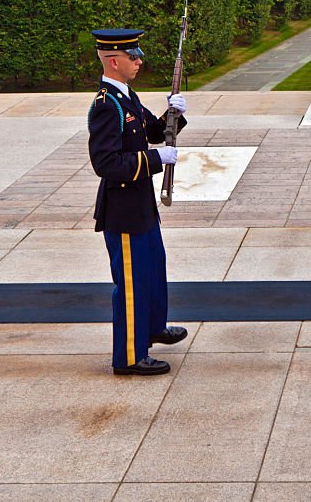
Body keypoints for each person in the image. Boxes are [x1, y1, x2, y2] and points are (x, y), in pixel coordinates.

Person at [88, 28, 188, 376]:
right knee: (131, 283)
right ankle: (129, 356)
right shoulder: (106, 106)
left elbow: (152, 132)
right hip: (123, 211)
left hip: (141, 206)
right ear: (114, 61)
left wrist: (173, 115)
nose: (139, 60)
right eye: (133, 56)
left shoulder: (126, 97)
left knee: (153, 270)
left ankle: (152, 327)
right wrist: (158, 160)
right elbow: (106, 164)